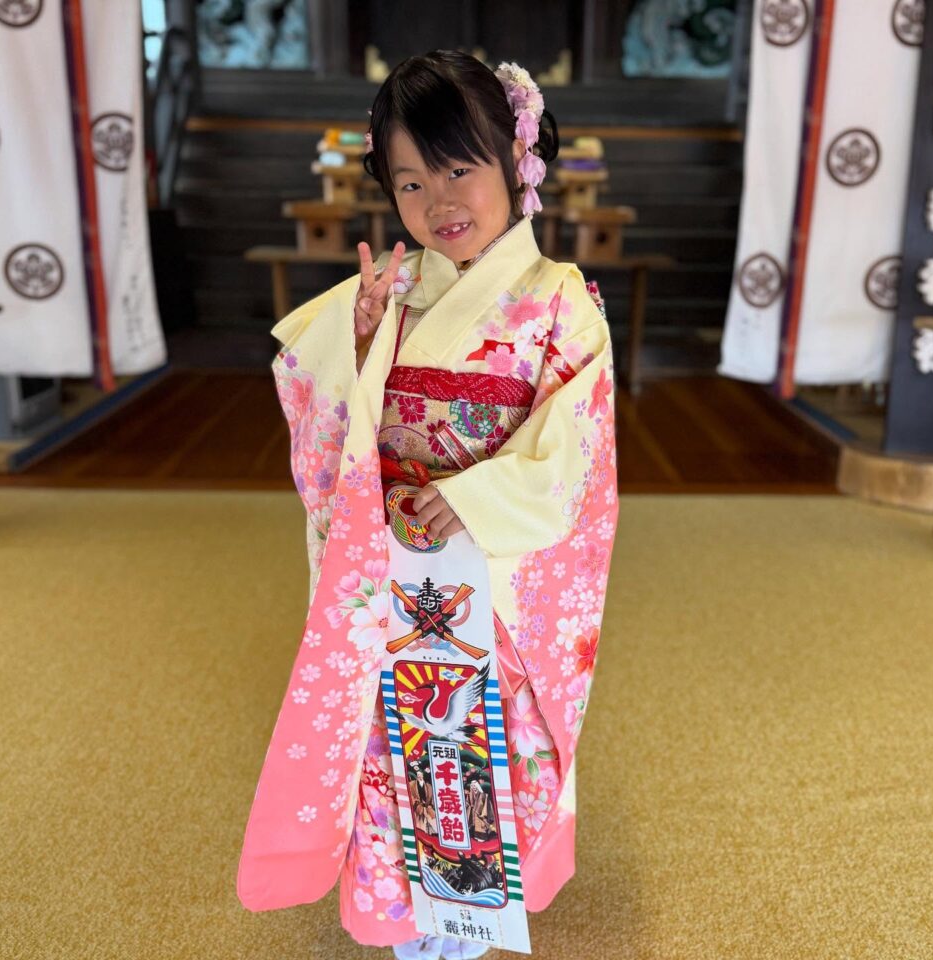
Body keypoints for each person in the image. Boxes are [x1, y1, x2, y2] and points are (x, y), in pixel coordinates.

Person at [236, 51, 619, 960]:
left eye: (458, 167)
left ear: (515, 159)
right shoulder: (386, 298)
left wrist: (477, 495)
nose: (437, 199)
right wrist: (359, 338)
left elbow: (576, 457)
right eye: (410, 181)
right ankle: (404, 916)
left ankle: (471, 918)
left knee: (477, 746)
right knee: (394, 745)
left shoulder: (562, 304)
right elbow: (321, 409)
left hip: (491, 581)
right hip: (396, 572)